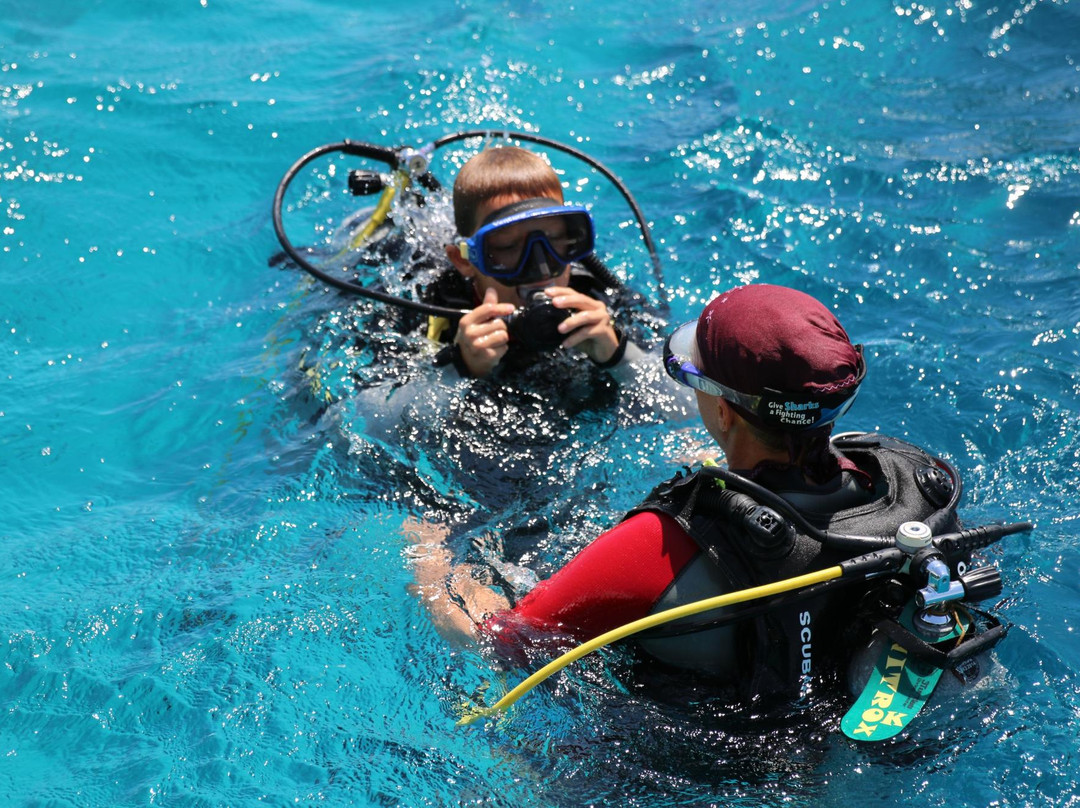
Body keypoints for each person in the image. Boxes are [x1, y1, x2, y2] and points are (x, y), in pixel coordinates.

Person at [409, 283, 980, 703]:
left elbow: (502, 644)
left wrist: (430, 568)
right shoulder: (912, 485)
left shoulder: (661, 545)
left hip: (697, 767)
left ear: (725, 413)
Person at [421, 146, 648, 379]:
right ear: (464, 260)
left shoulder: (599, 298)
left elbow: (685, 403)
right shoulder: (435, 309)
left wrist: (617, 356)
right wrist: (458, 368)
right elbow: (387, 412)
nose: (540, 268)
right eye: (508, 246)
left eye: (554, 240)